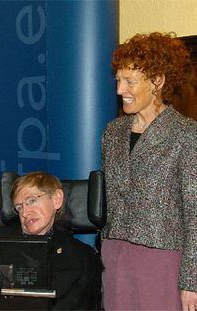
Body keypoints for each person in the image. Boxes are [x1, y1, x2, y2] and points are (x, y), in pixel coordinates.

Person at [102, 32, 197, 310]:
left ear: (158, 81)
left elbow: (195, 213)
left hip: (163, 260)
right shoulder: (112, 132)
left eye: (130, 81)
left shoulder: (186, 134)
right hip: (115, 254)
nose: (120, 90)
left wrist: (191, 281)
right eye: (118, 80)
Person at [0, 172, 102, 310]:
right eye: (19, 208)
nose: (25, 213)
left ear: (57, 199)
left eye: (31, 200)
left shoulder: (83, 257)